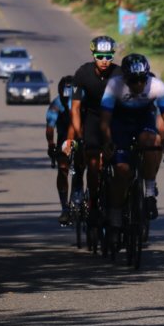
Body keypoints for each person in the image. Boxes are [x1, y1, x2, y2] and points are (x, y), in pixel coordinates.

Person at [99, 53, 164, 227]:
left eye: (142, 79)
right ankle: (115, 213)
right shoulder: (114, 85)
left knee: (152, 142)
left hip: (143, 120)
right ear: (125, 78)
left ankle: (149, 192)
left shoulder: (156, 85)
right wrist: (108, 141)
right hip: (120, 121)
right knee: (122, 171)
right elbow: (104, 120)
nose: (139, 84)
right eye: (133, 80)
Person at [64, 36, 121, 226]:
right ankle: (91, 199)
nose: (104, 60)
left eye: (108, 56)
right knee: (92, 161)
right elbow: (75, 108)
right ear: (93, 55)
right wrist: (79, 136)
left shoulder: (119, 74)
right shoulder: (82, 73)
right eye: (100, 56)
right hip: (92, 117)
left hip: (114, 117)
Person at [47, 76, 85, 224]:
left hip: (81, 135)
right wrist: (51, 144)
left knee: (81, 165)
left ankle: (79, 192)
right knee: (63, 168)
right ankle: (64, 208)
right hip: (64, 138)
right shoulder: (56, 104)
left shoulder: (82, 100)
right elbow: (50, 127)